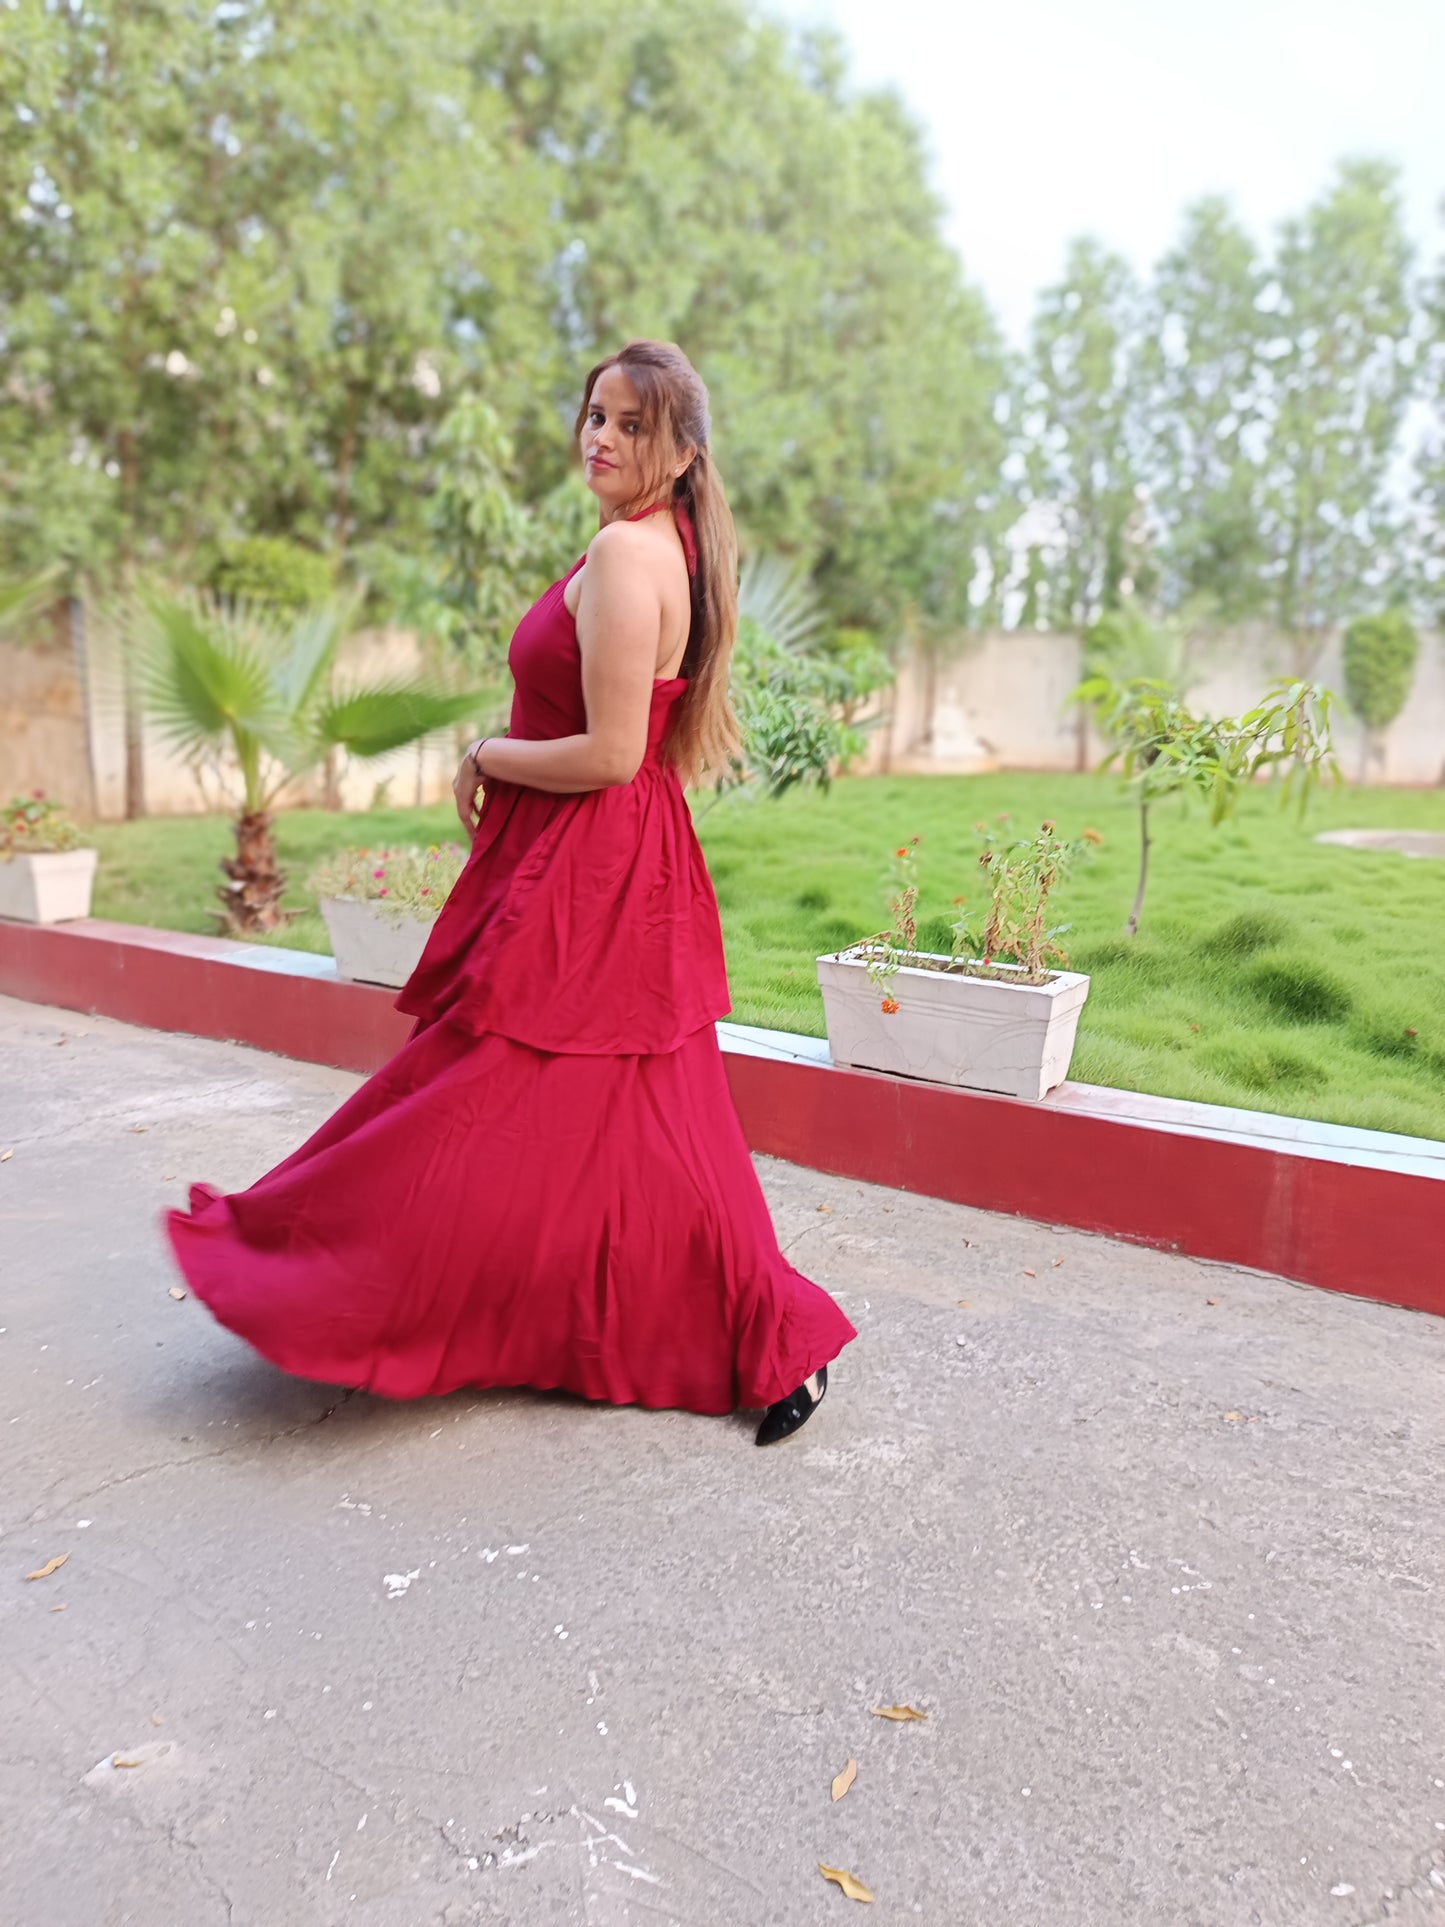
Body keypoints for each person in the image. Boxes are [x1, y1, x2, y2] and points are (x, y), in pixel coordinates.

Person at [166, 338, 855, 1446]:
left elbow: (610, 754)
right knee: (639, 1121)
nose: (601, 438)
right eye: (593, 415)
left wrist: (487, 753)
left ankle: (312, 1266)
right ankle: (757, 1339)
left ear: (680, 452)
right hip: (607, 862)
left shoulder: (631, 556)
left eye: (631, 425)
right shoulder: (653, 542)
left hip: (595, 864)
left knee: (479, 1094)